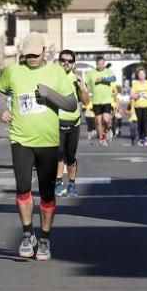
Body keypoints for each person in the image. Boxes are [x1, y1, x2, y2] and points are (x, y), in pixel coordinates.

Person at [0, 32, 78, 261]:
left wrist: (49, 94)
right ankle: (27, 233)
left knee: (47, 193)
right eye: (27, 54)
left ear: (44, 52)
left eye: (34, 54)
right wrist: (1, 110)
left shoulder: (56, 72)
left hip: (49, 142)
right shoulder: (13, 71)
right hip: (20, 139)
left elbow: (71, 104)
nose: (30, 58)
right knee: (22, 188)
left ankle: (45, 239)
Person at [54, 50, 90, 198]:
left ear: (73, 63)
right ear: (59, 61)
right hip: (56, 121)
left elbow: (87, 102)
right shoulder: (52, 78)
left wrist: (82, 88)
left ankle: (72, 183)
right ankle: (58, 182)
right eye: (63, 60)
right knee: (59, 154)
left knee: (70, 156)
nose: (66, 63)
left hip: (74, 122)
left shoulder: (77, 79)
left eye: (69, 61)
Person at [83, 56, 116, 146]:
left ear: (104, 63)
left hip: (106, 100)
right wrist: (85, 91)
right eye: (99, 64)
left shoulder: (108, 71)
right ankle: (102, 138)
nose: (100, 66)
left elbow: (114, 78)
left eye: (102, 64)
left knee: (105, 119)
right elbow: (84, 82)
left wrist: (103, 79)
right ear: (96, 64)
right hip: (96, 101)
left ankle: (108, 132)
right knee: (98, 121)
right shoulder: (91, 73)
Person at [130, 67, 147, 146]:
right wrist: (137, 95)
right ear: (137, 75)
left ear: (145, 75)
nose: (141, 75)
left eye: (143, 74)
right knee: (140, 122)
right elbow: (131, 94)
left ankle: (145, 137)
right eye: (140, 74)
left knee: (146, 121)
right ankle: (140, 138)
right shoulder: (135, 84)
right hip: (138, 106)